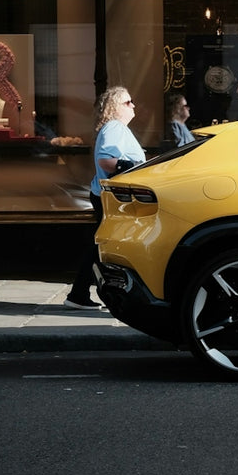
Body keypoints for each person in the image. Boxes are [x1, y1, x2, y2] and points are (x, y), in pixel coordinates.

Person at [65, 86, 145, 309]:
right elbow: (106, 161)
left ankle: (79, 294)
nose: (133, 105)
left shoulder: (114, 128)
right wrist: (139, 167)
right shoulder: (115, 127)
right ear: (116, 107)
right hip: (110, 199)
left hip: (105, 195)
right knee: (102, 247)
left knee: (100, 246)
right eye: (128, 102)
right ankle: (84, 294)